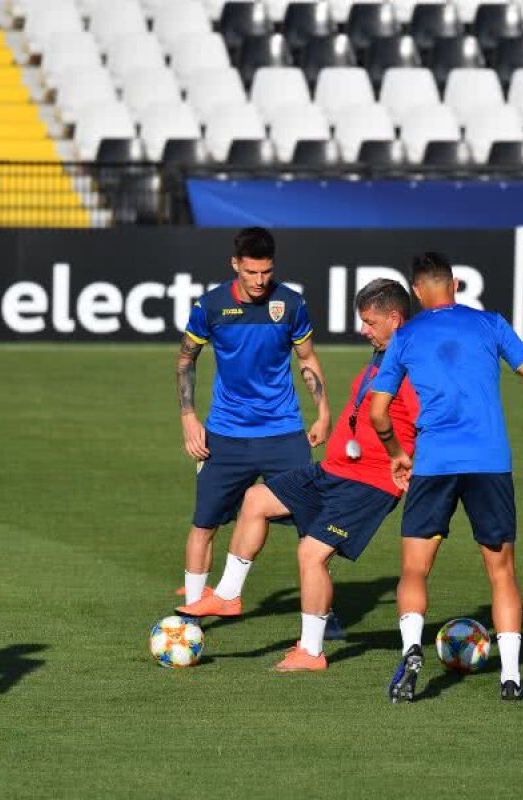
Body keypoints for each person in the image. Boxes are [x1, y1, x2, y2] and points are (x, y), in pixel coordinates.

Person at [176, 279, 420, 671]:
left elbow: (431, 424)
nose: (363, 330)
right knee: (256, 500)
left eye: (370, 322)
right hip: (336, 470)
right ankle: (227, 595)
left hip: (370, 482)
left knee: (311, 553)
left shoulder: (416, 364)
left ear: (395, 318)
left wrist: (415, 469)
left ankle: (311, 652)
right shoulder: (385, 354)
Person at [368, 251, 523, 704]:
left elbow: (378, 412)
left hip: (434, 464)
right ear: (455, 284)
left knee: (415, 569)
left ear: (416, 291)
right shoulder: (490, 323)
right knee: (501, 572)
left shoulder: (406, 336)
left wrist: (397, 454)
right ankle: (512, 677)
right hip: (489, 462)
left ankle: (411, 651)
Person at [176, 226, 331, 606]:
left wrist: (323, 412)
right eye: (251, 272)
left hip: (284, 433)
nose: (260, 281)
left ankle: (322, 615)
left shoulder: (290, 304)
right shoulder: (210, 307)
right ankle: (193, 613)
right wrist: (189, 417)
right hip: (225, 435)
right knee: (204, 524)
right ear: (235, 265)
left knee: (313, 528)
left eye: (266, 272)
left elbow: (307, 358)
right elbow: (185, 361)